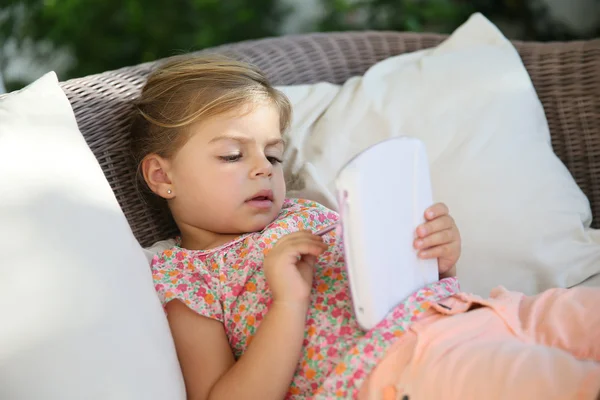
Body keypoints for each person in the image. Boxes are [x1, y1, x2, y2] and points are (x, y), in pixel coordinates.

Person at [130, 55, 600, 400]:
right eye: (233, 155)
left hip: (475, 314)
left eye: (273, 155)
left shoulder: (303, 212)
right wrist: (288, 302)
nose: (263, 169)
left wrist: (436, 261)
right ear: (162, 176)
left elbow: (385, 284)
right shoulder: (186, 279)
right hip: (401, 369)